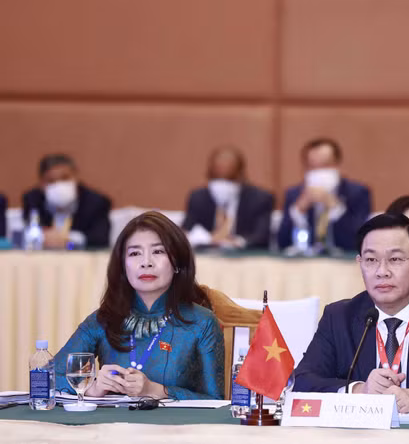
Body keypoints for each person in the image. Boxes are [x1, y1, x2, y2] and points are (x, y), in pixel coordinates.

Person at [293, 214, 409, 412]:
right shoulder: (339, 317)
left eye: (395, 259)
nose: (382, 271)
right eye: (370, 259)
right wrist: (359, 391)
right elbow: (303, 381)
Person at [54, 211, 224, 400]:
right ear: (123, 267)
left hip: (176, 429)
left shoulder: (202, 322)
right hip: (110, 428)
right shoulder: (103, 320)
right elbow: (46, 378)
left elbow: (216, 401)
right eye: (135, 253)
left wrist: (158, 391)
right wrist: (91, 388)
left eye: (158, 251)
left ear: (177, 261)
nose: (146, 263)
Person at [277, 138, 371, 252]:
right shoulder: (294, 194)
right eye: (313, 167)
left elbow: (359, 241)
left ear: (337, 165)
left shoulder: (358, 193)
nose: (319, 172)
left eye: (325, 165)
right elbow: (281, 243)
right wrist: (298, 211)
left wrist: (336, 208)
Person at [182, 146, 275, 249]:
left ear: (241, 175)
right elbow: (186, 231)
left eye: (229, 178)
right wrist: (206, 239)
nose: (222, 184)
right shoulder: (198, 198)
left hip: (244, 259)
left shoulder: (260, 199)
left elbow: (261, 237)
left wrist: (237, 242)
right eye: (217, 178)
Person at [22, 154, 111, 249]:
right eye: (51, 181)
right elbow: (30, 233)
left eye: (65, 178)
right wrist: (41, 236)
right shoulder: (32, 200)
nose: (59, 185)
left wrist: (69, 241)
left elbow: (100, 240)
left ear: (76, 177)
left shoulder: (96, 203)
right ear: (41, 185)